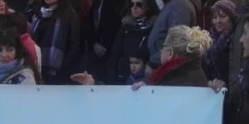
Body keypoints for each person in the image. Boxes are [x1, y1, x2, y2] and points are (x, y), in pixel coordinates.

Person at [75, 25, 210, 87]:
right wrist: (94, 84)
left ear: (170, 53)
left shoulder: (174, 81)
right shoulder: (187, 74)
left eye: (162, 47)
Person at [146, 0, 201, 71]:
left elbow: (176, 41)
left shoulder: (180, 5)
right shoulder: (172, 1)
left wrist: (153, 63)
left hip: (167, 67)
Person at [30, 0, 81, 84]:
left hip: (59, 67)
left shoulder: (69, 14)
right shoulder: (38, 12)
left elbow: (74, 43)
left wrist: (66, 64)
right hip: (37, 63)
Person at [105, 0, 159, 84]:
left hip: (146, 79)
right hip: (123, 77)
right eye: (132, 4)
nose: (134, 7)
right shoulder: (125, 27)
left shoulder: (155, 28)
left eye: (139, 4)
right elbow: (115, 54)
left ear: (148, 6)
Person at [203, 0, 237, 82]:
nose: (218, 21)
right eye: (215, 17)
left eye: (222, 16)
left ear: (232, 18)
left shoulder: (237, 40)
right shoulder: (207, 38)